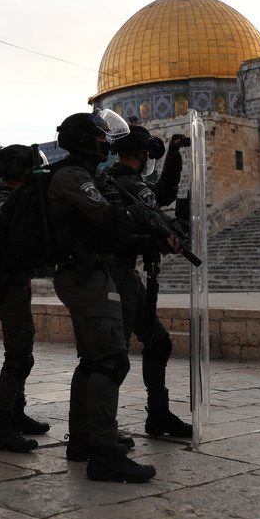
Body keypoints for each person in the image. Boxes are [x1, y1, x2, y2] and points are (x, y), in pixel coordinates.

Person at [47, 110, 168, 483]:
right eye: (101, 137)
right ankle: (104, 452)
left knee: (93, 360)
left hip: (85, 272)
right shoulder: (72, 177)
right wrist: (138, 214)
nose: (107, 143)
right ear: (86, 141)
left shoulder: (85, 176)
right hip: (84, 276)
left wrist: (151, 238)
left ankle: (83, 440)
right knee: (111, 361)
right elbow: (111, 222)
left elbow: (110, 230)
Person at [101, 123, 193, 439]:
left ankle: (158, 415)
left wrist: (175, 155)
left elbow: (160, 197)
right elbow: (124, 232)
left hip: (122, 275)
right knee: (112, 355)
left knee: (157, 341)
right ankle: (101, 429)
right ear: (142, 155)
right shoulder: (129, 186)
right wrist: (154, 242)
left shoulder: (114, 182)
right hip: (117, 276)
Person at [0, 144, 51, 453]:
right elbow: (2, 228)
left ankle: (16, 414)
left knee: (24, 354)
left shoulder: (12, 198)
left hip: (12, 281)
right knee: (17, 356)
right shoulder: (4, 199)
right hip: (7, 282)